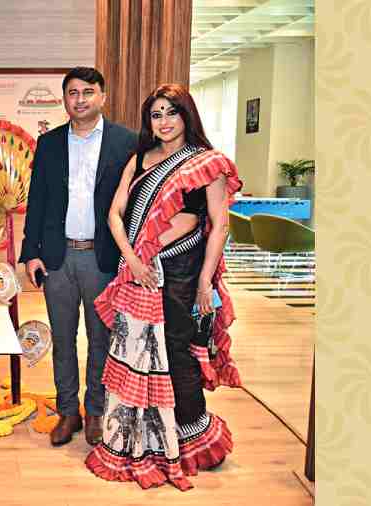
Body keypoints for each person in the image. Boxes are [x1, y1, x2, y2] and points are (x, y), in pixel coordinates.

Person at [85, 83, 242, 491]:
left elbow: (219, 225)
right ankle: (143, 439)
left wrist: (206, 281)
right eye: (156, 114)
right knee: (134, 351)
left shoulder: (205, 163)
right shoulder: (140, 158)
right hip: (137, 272)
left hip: (182, 273)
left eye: (171, 112)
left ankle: (187, 441)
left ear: (186, 115)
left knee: (177, 352)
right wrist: (134, 260)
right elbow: (115, 214)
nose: (164, 121)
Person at [19, 67, 138, 446]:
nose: (80, 99)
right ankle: (67, 411)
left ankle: (97, 412)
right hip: (57, 258)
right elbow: (36, 202)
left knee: (101, 339)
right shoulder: (50, 143)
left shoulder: (127, 142)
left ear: (102, 96)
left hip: (102, 259)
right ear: (65, 98)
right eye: (73, 92)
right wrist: (29, 254)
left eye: (88, 91)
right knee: (64, 339)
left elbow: (135, 203)